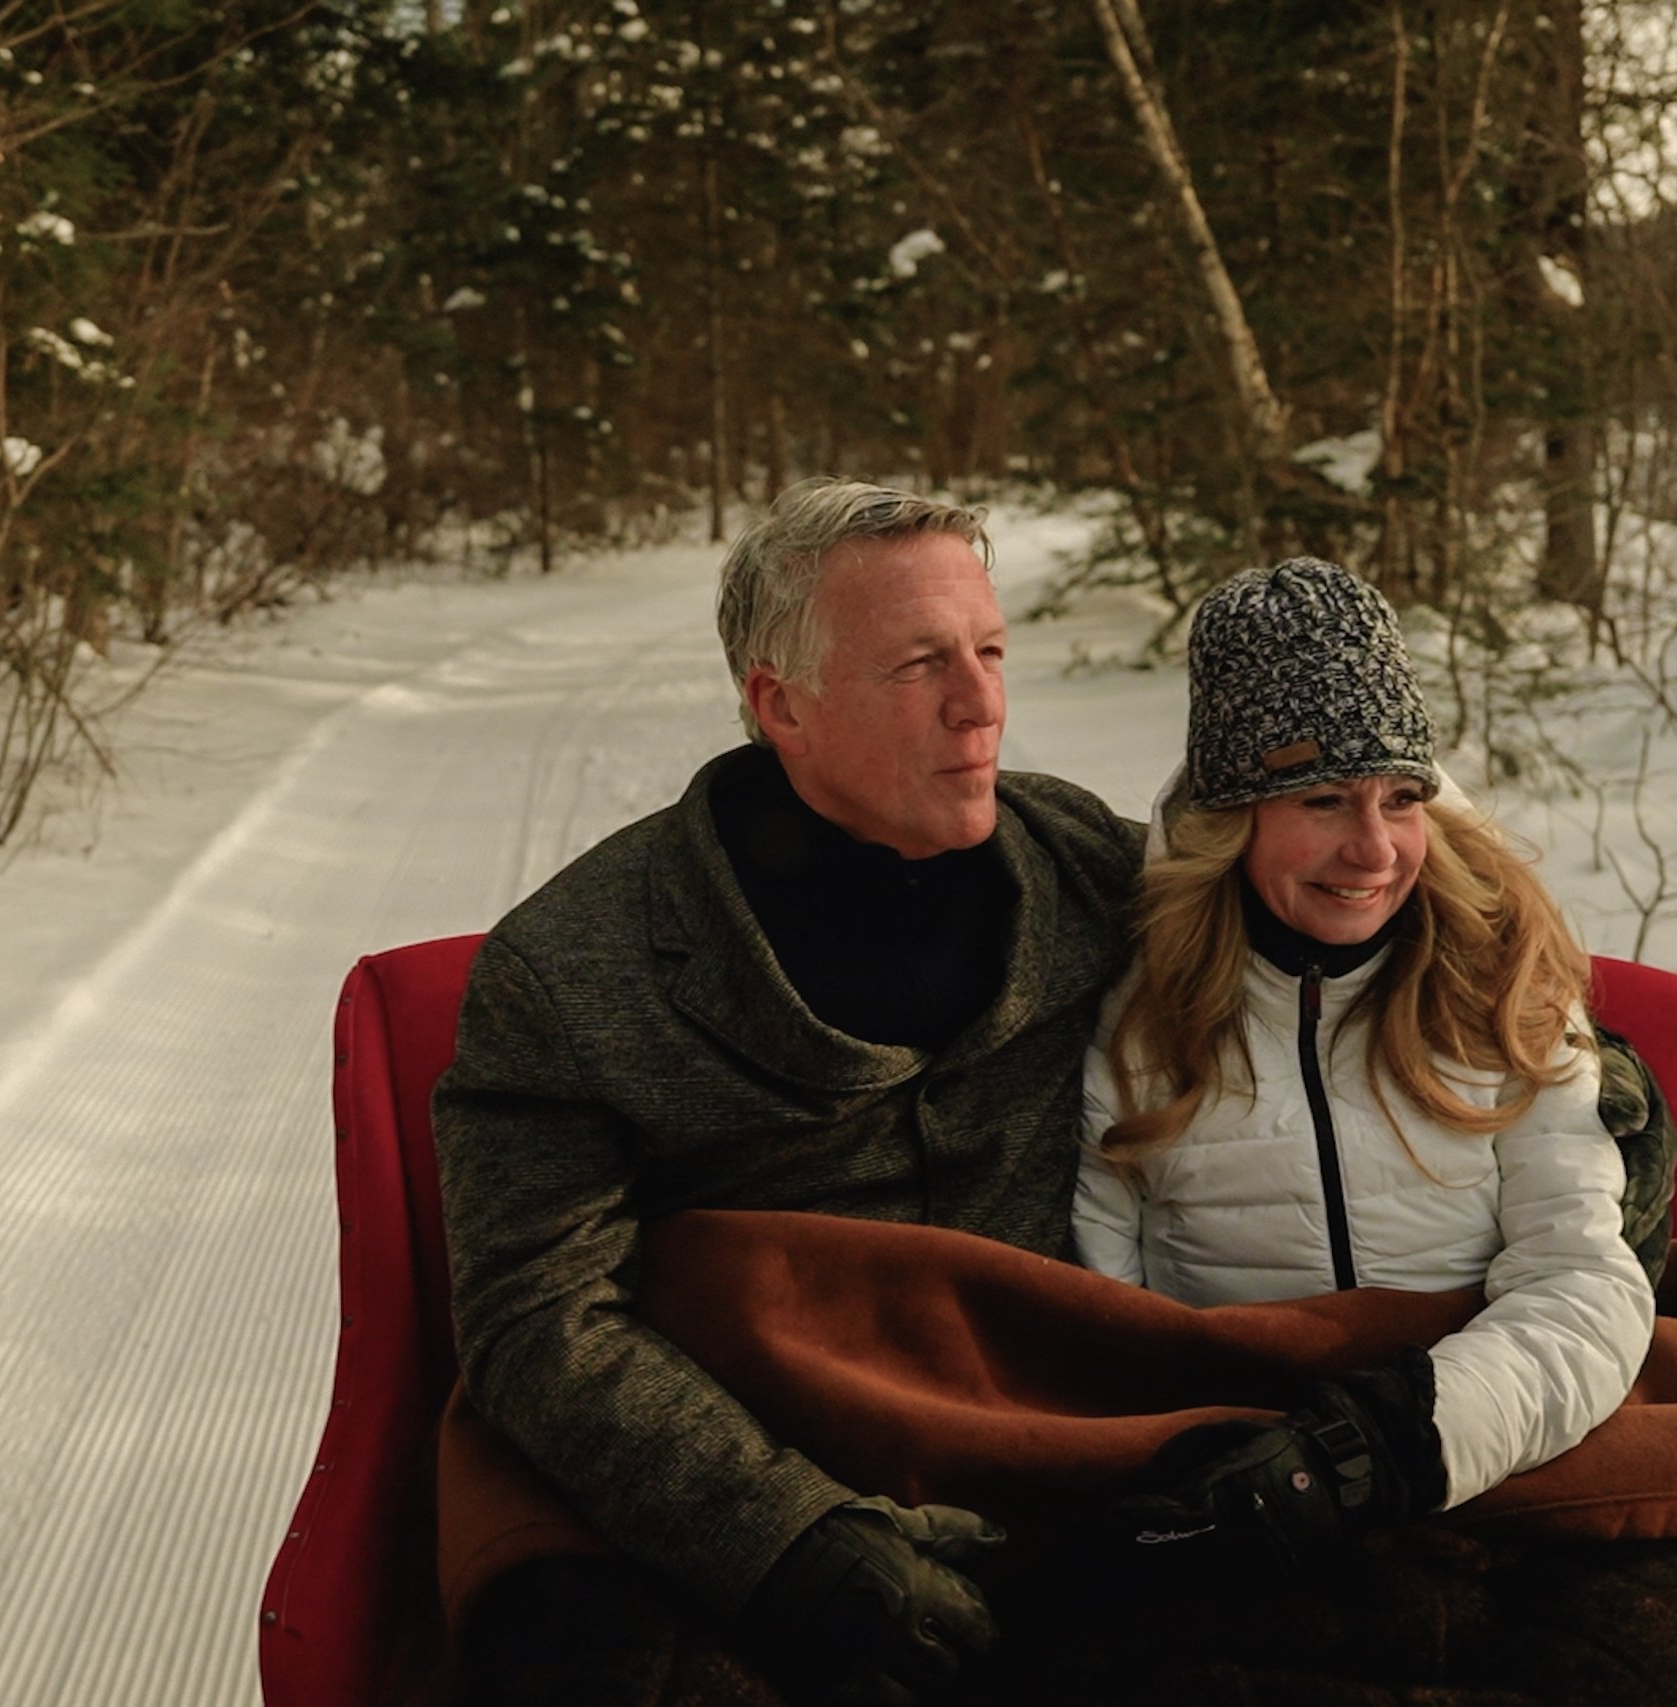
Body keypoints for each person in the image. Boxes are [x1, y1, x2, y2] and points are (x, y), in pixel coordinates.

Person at [433, 478, 1145, 1702]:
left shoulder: (1083, 866)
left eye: (988, 651)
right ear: (782, 706)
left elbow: (1363, 909)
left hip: (1056, 1466)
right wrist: (790, 1542)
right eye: (919, 664)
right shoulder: (572, 968)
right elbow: (535, 1321)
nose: (981, 704)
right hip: (740, 1494)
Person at [1073, 557, 1656, 1572]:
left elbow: (1581, 1279)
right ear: (1233, 818)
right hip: (1240, 1491)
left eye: (1401, 797)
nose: (1376, 850)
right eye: (1325, 801)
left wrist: (1386, 1446)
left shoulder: (1500, 986)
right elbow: (1107, 1322)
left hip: (1485, 1452)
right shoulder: (1142, 1028)